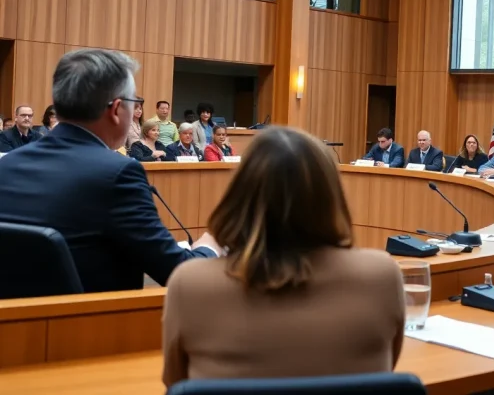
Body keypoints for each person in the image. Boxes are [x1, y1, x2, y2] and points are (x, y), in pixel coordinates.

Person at [162, 126, 405, 386]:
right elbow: (384, 372)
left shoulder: (191, 284)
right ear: (331, 196)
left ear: (241, 194)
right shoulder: (382, 276)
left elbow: (177, 385)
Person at [0, 49, 220, 293]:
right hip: (92, 327)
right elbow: (182, 275)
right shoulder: (119, 174)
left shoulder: (6, 165)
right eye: (134, 103)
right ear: (116, 109)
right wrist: (213, 243)